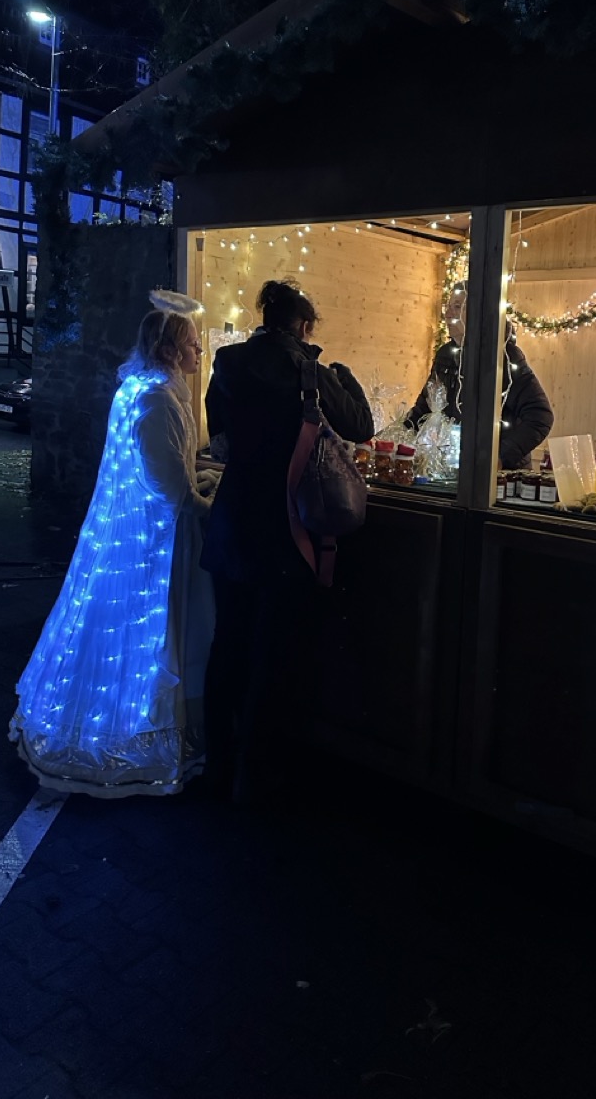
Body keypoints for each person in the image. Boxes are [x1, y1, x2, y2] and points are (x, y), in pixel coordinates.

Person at [9, 290, 217, 797]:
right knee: (152, 641)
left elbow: (164, 470)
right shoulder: (157, 401)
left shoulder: (138, 389)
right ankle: (136, 741)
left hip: (128, 537)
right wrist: (215, 503)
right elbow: (171, 492)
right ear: (169, 350)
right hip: (153, 548)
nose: (199, 352)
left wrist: (202, 477)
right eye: (192, 344)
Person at [202, 278, 374, 803]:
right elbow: (361, 425)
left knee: (227, 646)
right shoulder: (311, 374)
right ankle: (255, 779)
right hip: (286, 532)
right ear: (304, 326)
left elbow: (219, 439)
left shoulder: (227, 362)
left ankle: (217, 766)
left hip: (232, 524)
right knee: (271, 658)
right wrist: (343, 374)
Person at [406, 281, 554, 470]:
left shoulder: (504, 358)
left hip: (499, 477)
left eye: (457, 307)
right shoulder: (446, 355)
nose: (448, 314)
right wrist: (397, 439)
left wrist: (499, 457)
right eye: (448, 306)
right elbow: (423, 409)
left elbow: (540, 416)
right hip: (453, 467)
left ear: (477, 313)